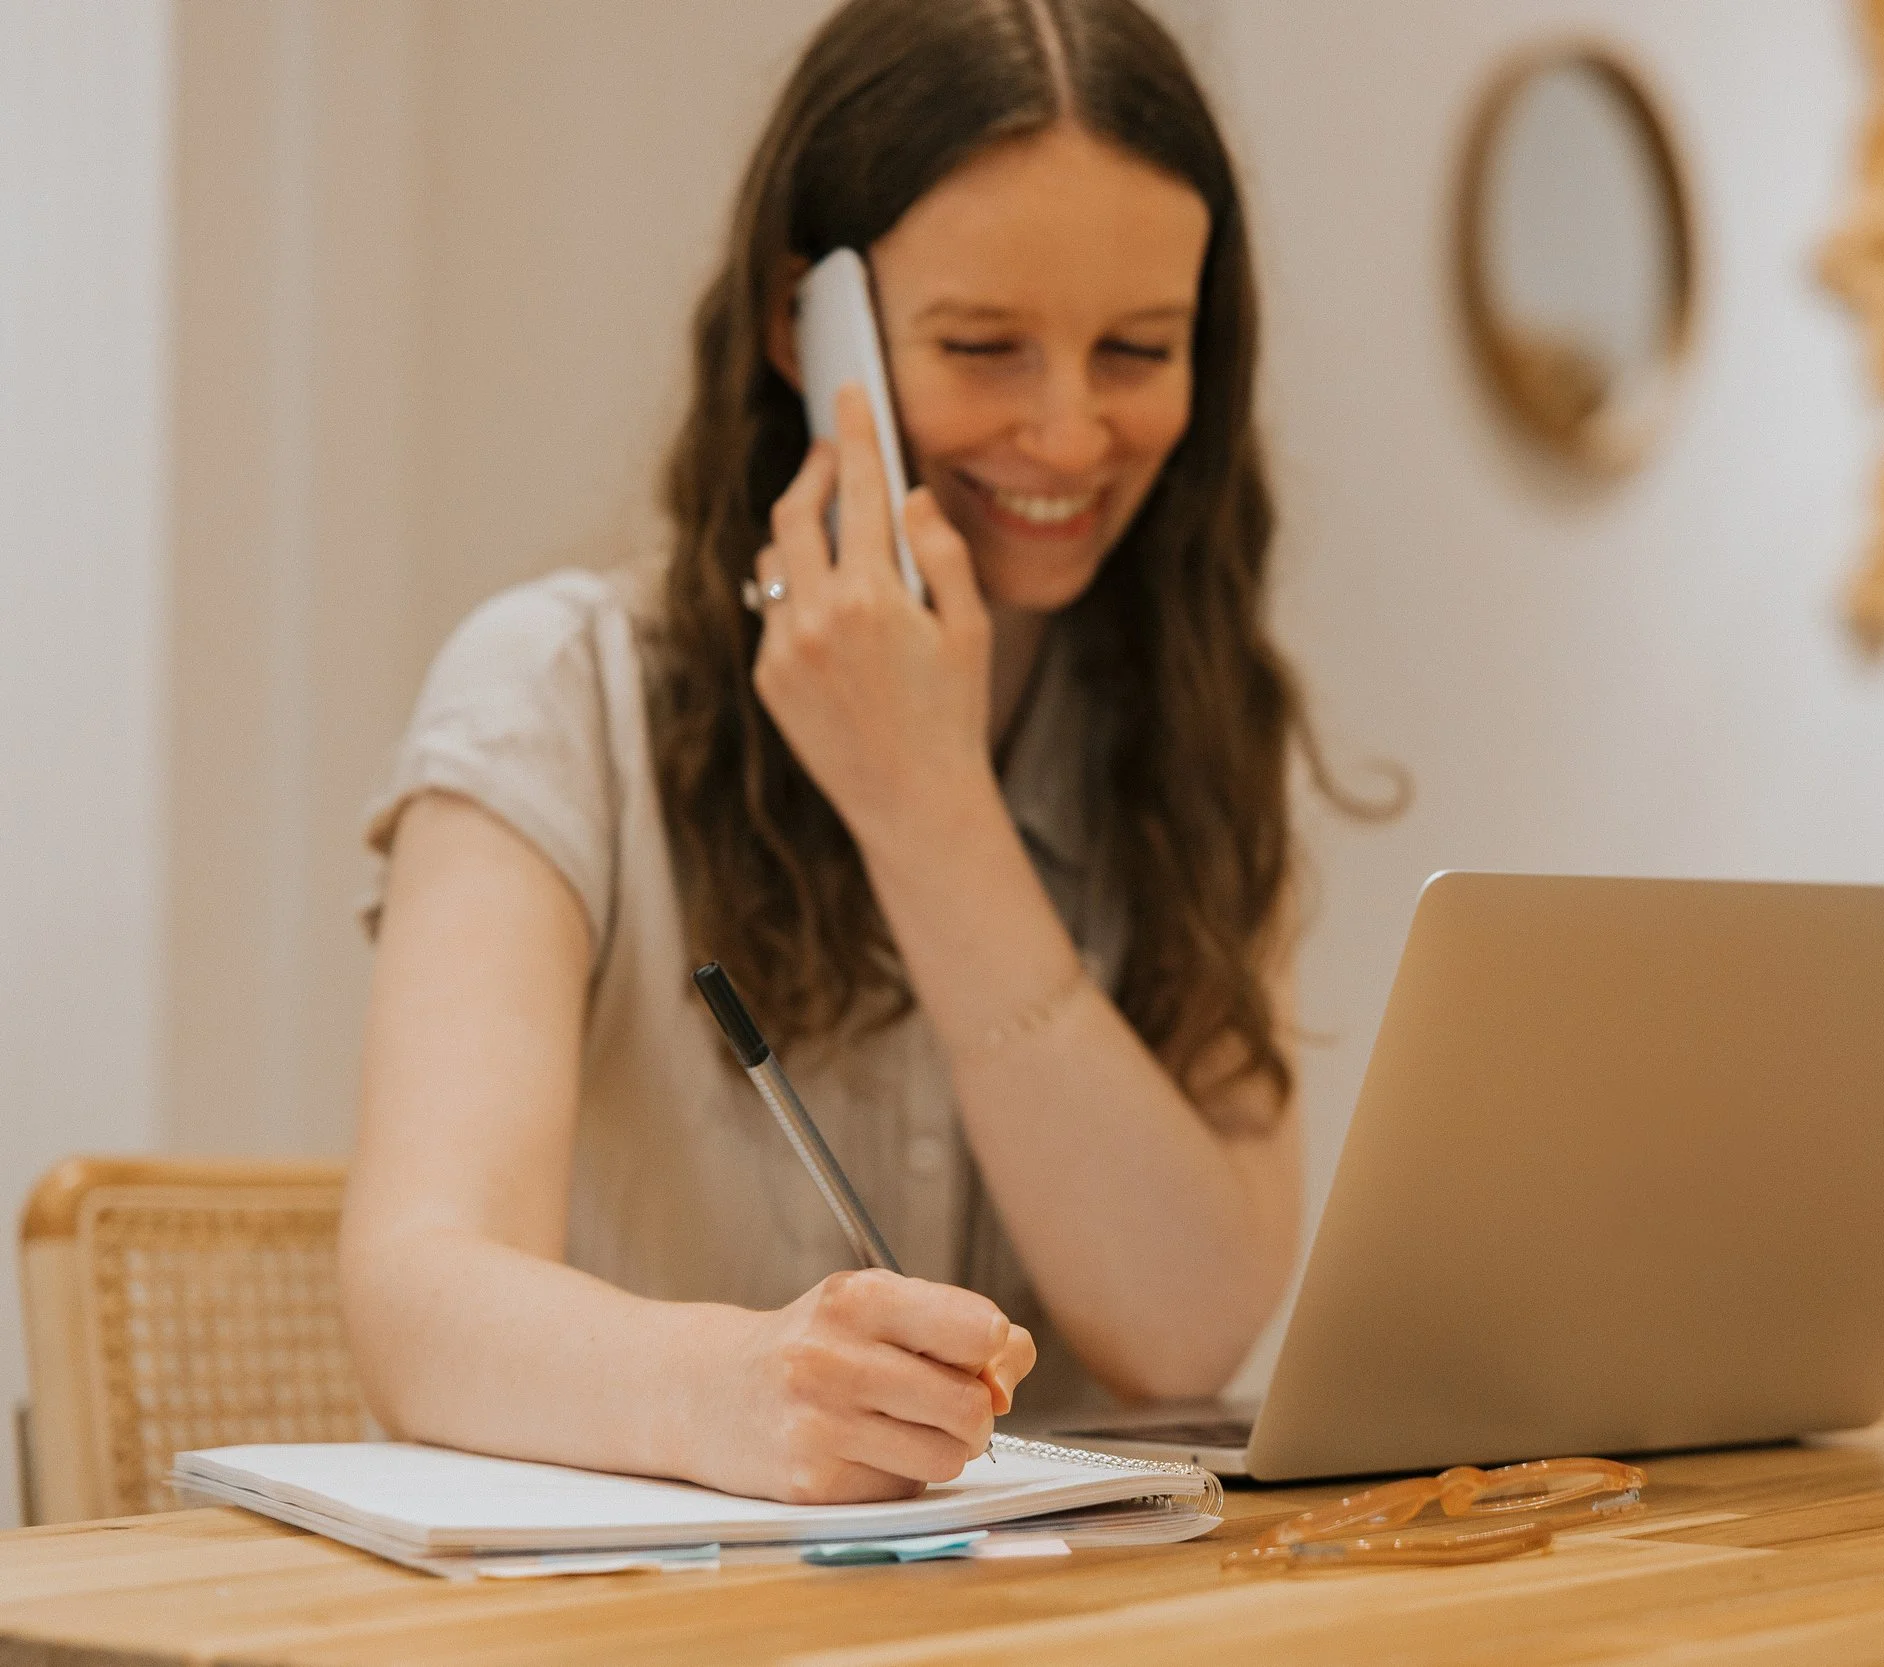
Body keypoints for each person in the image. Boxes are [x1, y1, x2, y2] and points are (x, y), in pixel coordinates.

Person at [342, 0, 1364, 1507]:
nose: (1071, 434)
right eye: (984, 347)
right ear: (801, 327)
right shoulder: (553, 690)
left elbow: (1185, 1325)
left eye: (1138, 349)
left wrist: (929, 806)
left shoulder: (1195, 733)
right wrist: (736, 1392)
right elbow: (416, 1295)